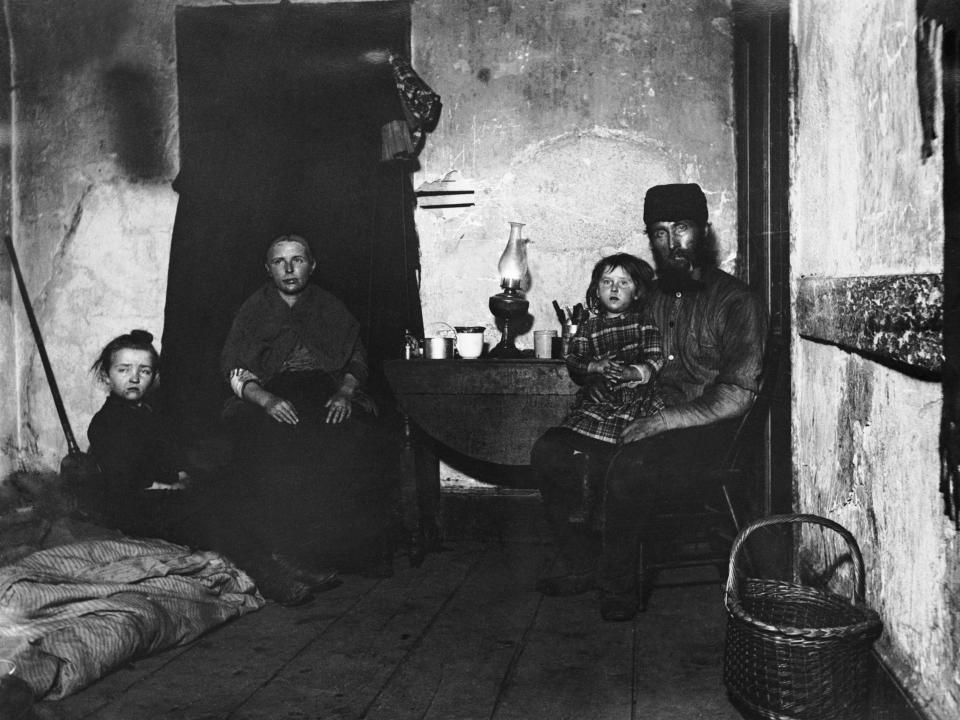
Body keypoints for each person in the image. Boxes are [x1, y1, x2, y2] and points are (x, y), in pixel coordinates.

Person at [533, 183, 768, 622]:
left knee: (631, 464)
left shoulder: (738, 301)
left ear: (703, 231)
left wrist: (662, 421)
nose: (670, 243)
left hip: (705, 432)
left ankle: (617, 586)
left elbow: (737, 394)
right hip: (638, 415)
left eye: (681, 229)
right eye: (658, 232)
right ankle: (583, 562)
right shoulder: (647, 296)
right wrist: (601, 374)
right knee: (551, 450)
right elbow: (617, 349)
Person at [84, 329, 336, 606]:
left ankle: (283, 560)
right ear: (107, 376)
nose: (134, 378)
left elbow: (169, 457)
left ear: (154, 377)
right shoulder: (106, 424)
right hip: (136, 505)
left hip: (166, 496)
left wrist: (183, 474)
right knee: (210, 508)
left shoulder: (148, 413)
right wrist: (172, 486)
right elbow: (124, 483)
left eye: (144, 371)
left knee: (235, 489)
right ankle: (270, 577)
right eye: (123, 370)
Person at [221, 233, 400, 577]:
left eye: (297, 260)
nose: (289, 269)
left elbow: (356, 361)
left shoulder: (330, 306)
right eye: (279, 262)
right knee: (271, 445)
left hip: (326, 388)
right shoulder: (254, 309)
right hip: (271, 391)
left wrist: (346, 392)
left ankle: (345, 554)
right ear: (268, 269)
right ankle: (284, 555)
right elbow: (235, 368)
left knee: (350, 439)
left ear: (312, 266)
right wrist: (266, 400)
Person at [532, 254, 664, 595]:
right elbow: (574, 362)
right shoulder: (589, 327)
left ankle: (612, 563)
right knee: (556, 449)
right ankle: (581, 554)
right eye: (607, 282)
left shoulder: (643, 324)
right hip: (598, 407)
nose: (614, 289)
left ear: (637, 292)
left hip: (633, 404)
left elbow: (655, 359)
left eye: (623, 283)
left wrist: (635, 372)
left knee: (615, 466)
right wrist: (595, 367)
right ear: (596, 290)